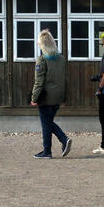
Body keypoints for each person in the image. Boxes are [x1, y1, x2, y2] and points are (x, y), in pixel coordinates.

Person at [31, 29, 72, 159]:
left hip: (46, 96)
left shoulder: (42, 60)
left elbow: (39, 82)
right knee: (48, 122)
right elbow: (64, 78)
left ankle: (58, 144)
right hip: (58, 95)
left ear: (42, 45)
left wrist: (34, 98)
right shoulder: (61, 58)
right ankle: (50, 148)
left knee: (46, 123)